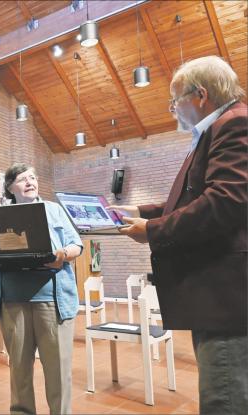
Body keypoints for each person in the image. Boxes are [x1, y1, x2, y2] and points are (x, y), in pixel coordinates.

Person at [110, 55, 247, 414]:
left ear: (200, 95)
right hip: (221, 293)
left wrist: (153, 231)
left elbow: (225, 202)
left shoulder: (234, 124)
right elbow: (200, 197)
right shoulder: (219, 127)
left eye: (175, 101)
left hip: (227, 295)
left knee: (225, 395)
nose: (173, 110)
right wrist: (144, 212)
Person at [0, 163, 83, 414]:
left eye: (33, 177)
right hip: (13, 300)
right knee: (19, 370)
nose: (30, 182)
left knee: (58, 370)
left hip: (52, 299)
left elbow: (77, 245)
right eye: (22, 179)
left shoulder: (54, 210)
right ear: (9, 188)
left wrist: (62, 254)